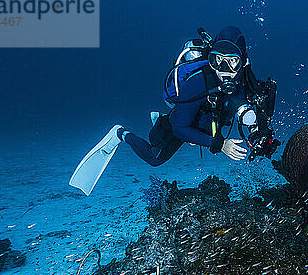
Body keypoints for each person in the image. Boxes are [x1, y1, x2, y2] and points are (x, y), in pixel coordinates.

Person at [70, 26, 279, 196]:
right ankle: (120, 133)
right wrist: (220, 144)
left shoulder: (245, 80)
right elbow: (180, 128)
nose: (224, 70)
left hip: (209, 122)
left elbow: (252, 111)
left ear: (243, 62)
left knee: (201, 127)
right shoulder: (198, 82)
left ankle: (162, 121)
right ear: (211, 59)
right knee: (155, 157)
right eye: (218, 61)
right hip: (185, 122)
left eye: (232, 62)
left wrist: (258, 133)